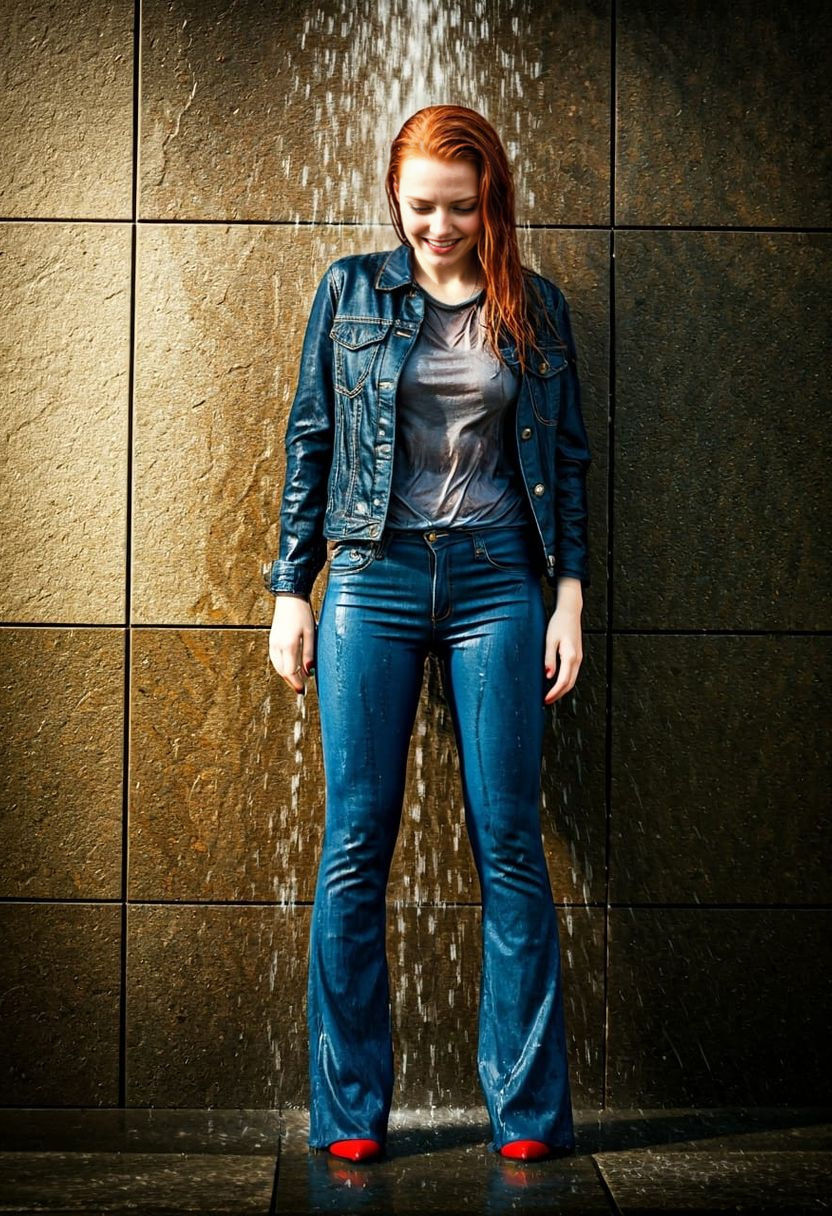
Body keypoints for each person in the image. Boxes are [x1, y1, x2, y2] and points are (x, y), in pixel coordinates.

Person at [264, 104, 591, 1164]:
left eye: (459, 207)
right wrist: (290, 588)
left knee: (508, 843)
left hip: (501, 584)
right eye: (418, 209)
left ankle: (529, 1116)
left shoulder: (533, 309)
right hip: (372, 578)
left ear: (490, 196)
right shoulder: (350, 290)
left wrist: (570, 595)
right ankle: (350, 1111)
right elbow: (310, 437)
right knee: (355, 841)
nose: (438, 229)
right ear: (393, 198)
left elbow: (567, 462)